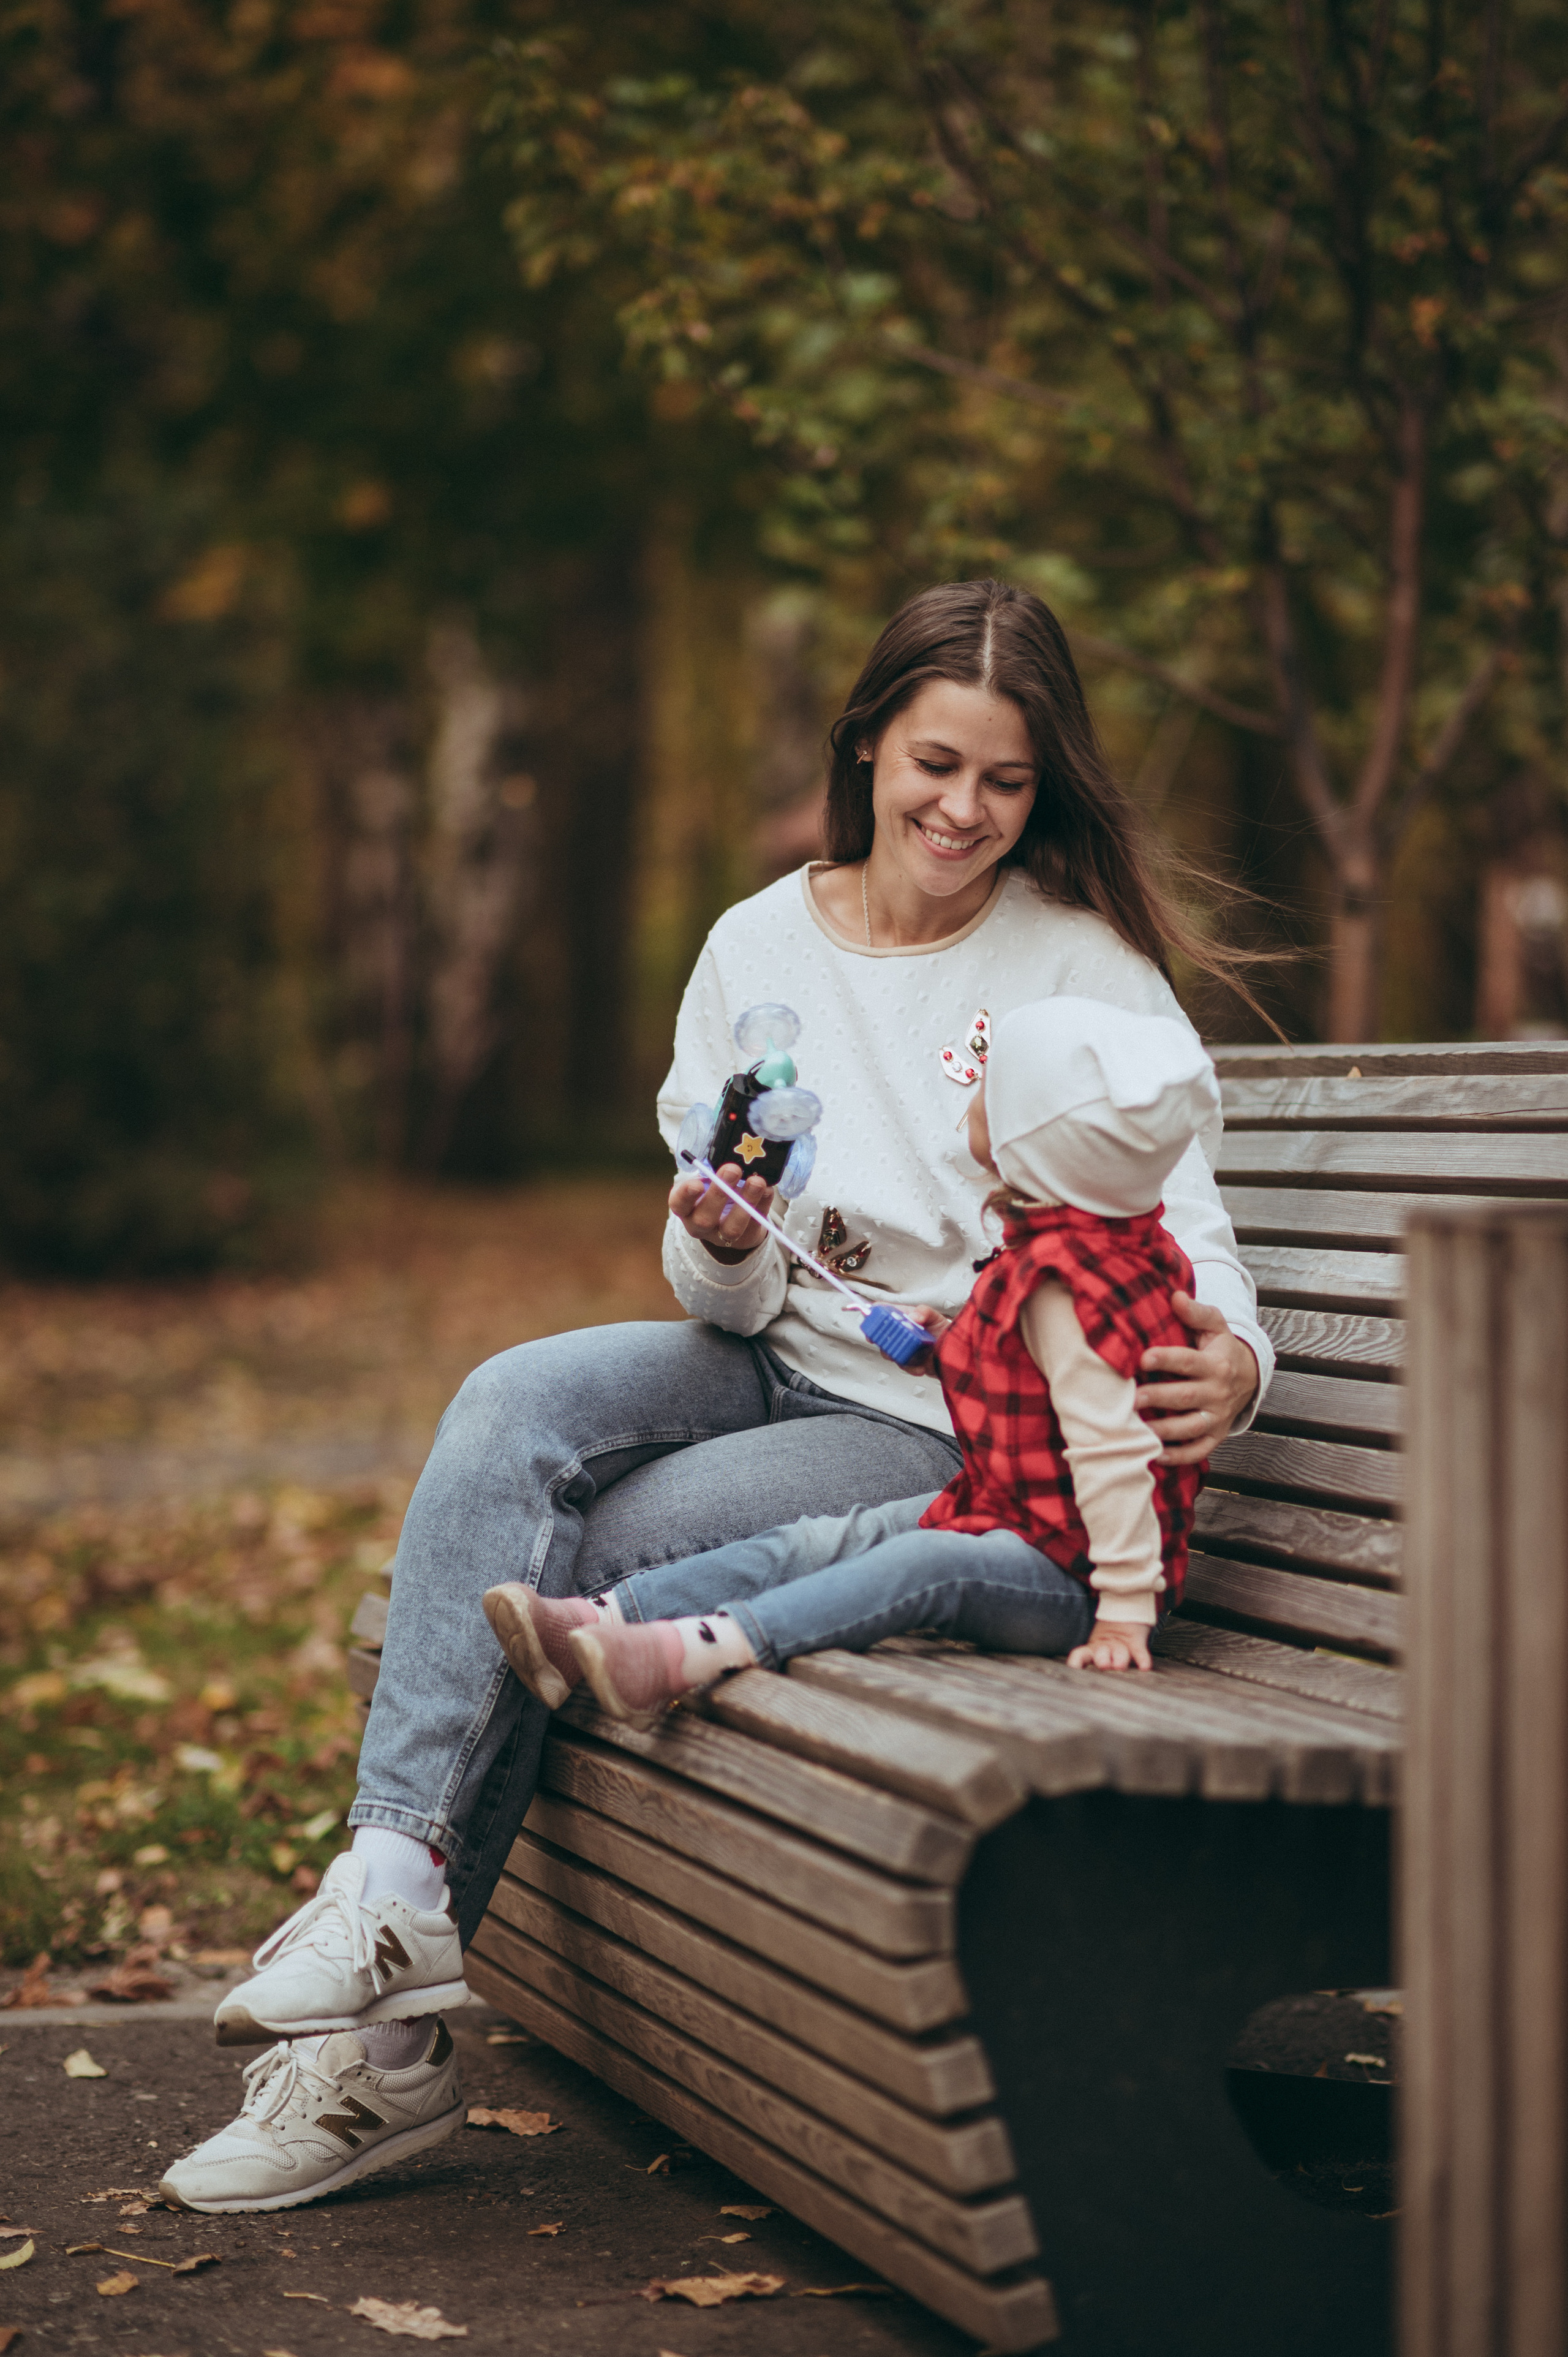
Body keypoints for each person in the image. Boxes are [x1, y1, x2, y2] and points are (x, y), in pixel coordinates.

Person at [161, 577, 1273, 2215]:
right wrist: (718, 1234)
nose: (963, 809)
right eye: (933, 764)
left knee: (570, 1552)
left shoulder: (1080, 964)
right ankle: (392, 1887)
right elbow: (728, 1296)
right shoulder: (757, 944)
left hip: (935, 1421)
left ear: (1046, 789)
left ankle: (378, 2063)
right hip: (766, 1352)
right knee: (508, 1400)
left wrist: (1235, 1361)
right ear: (868, 747)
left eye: (1007, 780)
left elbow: (1194, 1229)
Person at [484, 996, 1218, 1722]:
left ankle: (689, 1652)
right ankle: (601, 1622)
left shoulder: (1066, 1283)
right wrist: (942, 1346)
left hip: (1072, 1576)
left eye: (990, 1090)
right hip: (1016, 1514)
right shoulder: (1086, 1242)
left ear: (1034, 1139)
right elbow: (1030, 1377)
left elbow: (1115, 1447)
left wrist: (1123, 1609)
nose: (969, 1092)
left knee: (921, 1565)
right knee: (831, 1538)